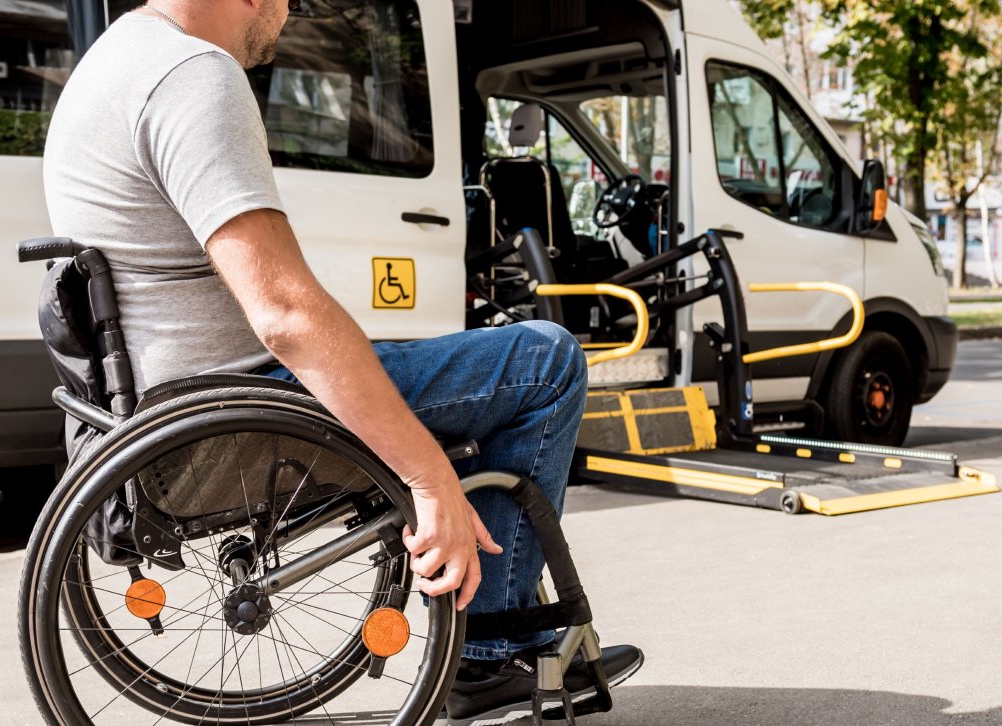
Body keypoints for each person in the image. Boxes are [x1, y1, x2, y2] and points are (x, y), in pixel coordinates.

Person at [40, 0, 641, 722]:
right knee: (545, 359)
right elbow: (285, 317)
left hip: (159, 412)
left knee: (407, 355)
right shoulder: (192, 74)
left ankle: (491, 628)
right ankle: (488, 654)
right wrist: (427, 477)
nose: (291, 8)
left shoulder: (111, 60)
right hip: (240, 406)